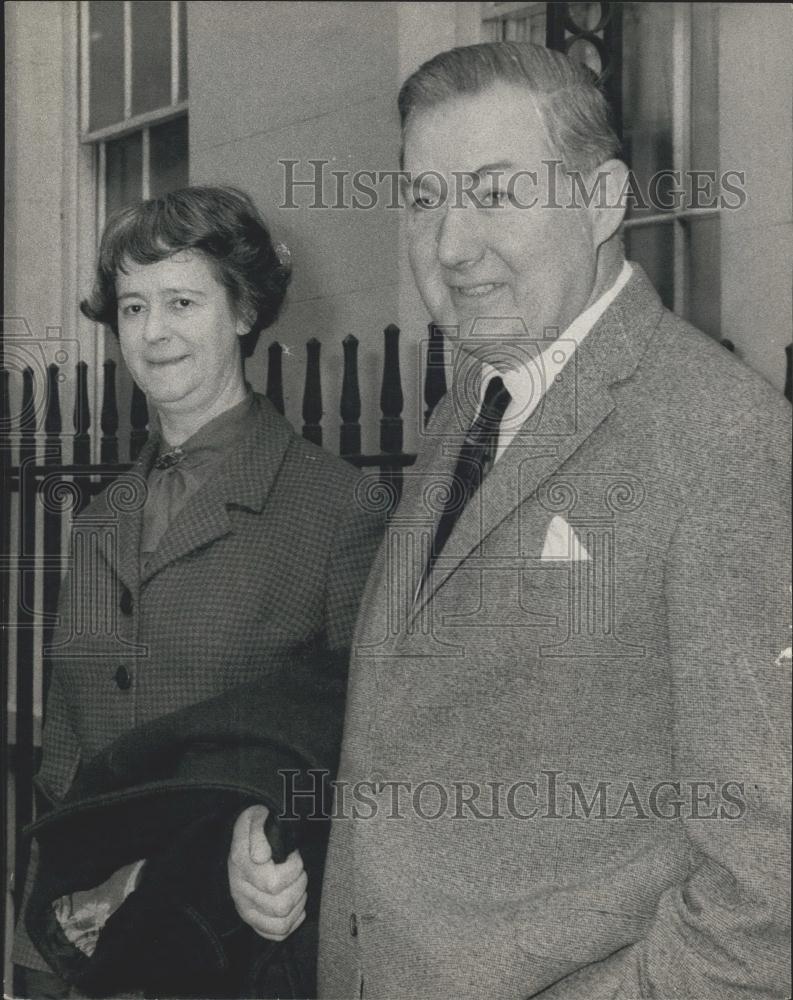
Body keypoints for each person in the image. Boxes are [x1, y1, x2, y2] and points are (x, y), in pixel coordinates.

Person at [235, 41, 791, 998]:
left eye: (493, 193)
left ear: (602, 200)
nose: (449, 246)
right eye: (423, 200)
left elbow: (765, 894)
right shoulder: (469, 410)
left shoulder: (720, 438)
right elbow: (423, 724)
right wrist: (288, 841)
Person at [13, 185, 383, 998]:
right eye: (133, 306)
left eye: (182, 301)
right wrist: (38, 959)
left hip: (242, 952)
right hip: (92, 955)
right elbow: (66, 754)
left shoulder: (338, 508)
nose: (153, 332)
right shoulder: (100, 520)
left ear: (244, 311)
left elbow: (359, 752)